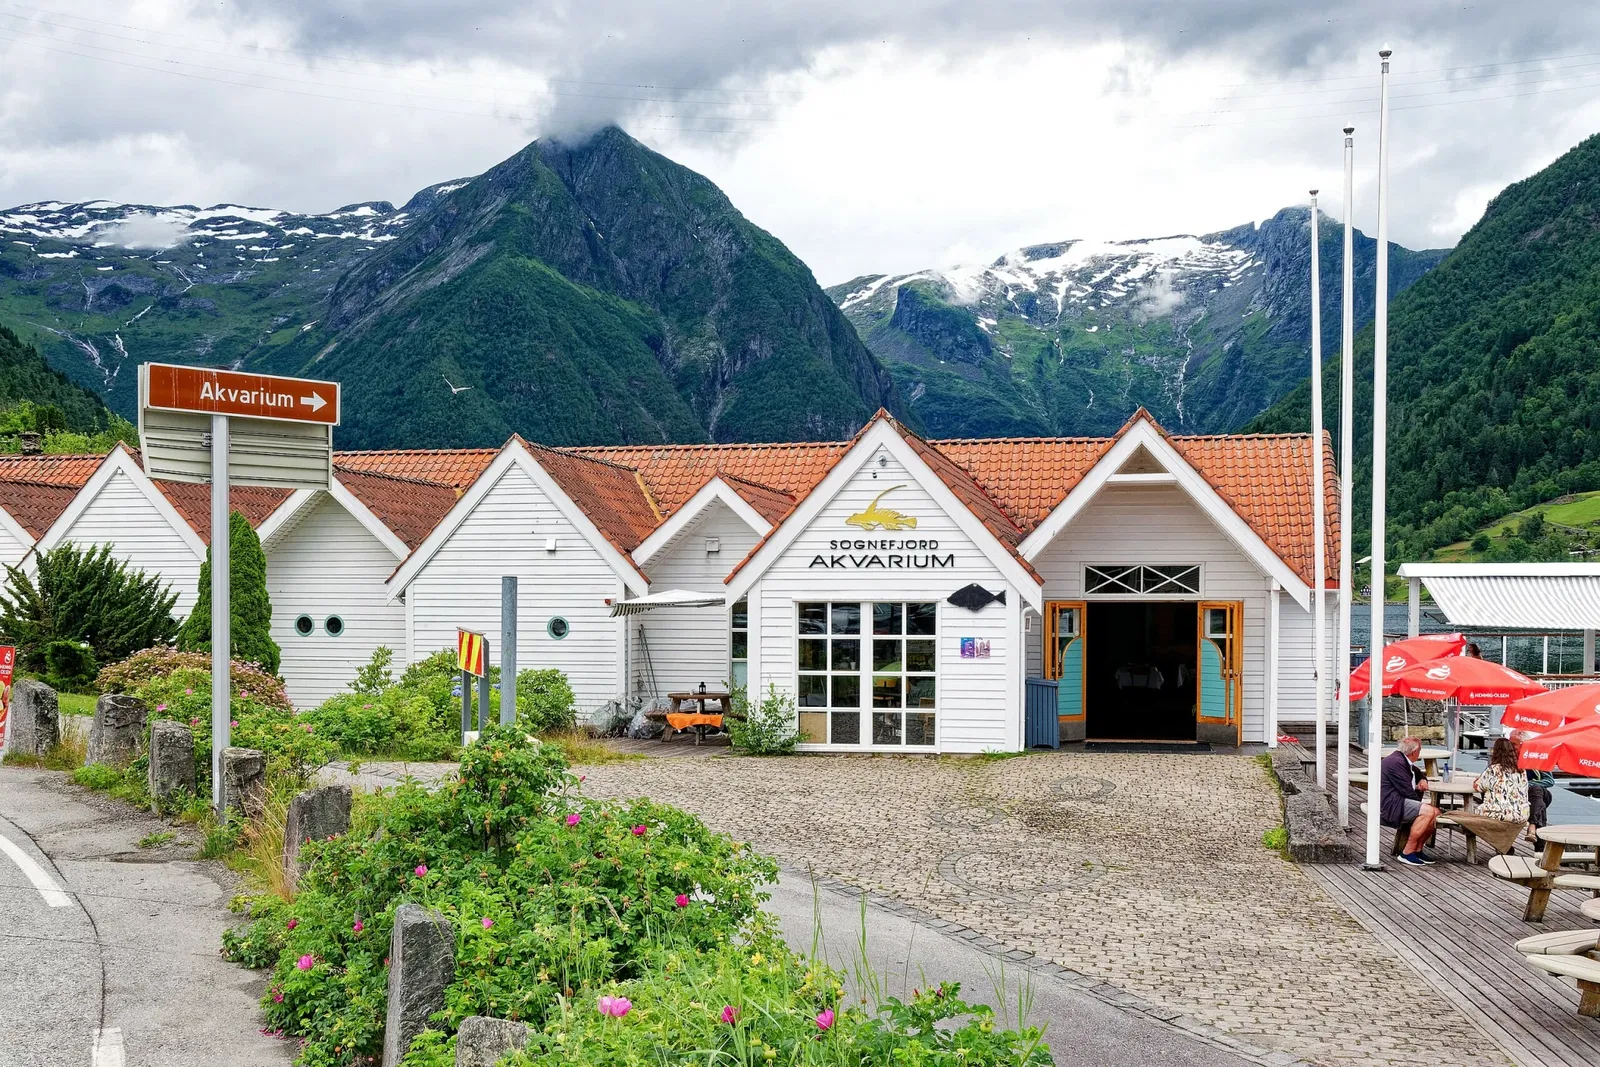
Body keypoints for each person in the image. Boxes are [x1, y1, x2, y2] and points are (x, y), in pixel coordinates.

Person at [1381, 736, 1439, 866]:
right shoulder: (1396, 763)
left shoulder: (1402, 759)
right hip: (1391, 804)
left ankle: (1417, 850)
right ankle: (1407, 852)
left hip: (1399, 800)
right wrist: (1420, 806)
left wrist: (1423, 779)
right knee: (1429, 812)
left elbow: (1418, 773)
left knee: (1436, 813)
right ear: (1414, 752)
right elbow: (1406, 790)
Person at [1511, 731, 1556, 848]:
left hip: (1534, 793)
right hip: (1517, 796)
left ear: (1523, 744)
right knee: (1539, 805)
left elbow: (1550, 781)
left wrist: (1526, 784)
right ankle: (1537, 840)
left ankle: (1532, 826)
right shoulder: (1509, 759)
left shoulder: (1536, 758)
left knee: (1536, 790)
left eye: (1514, 744)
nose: (1511, 747)